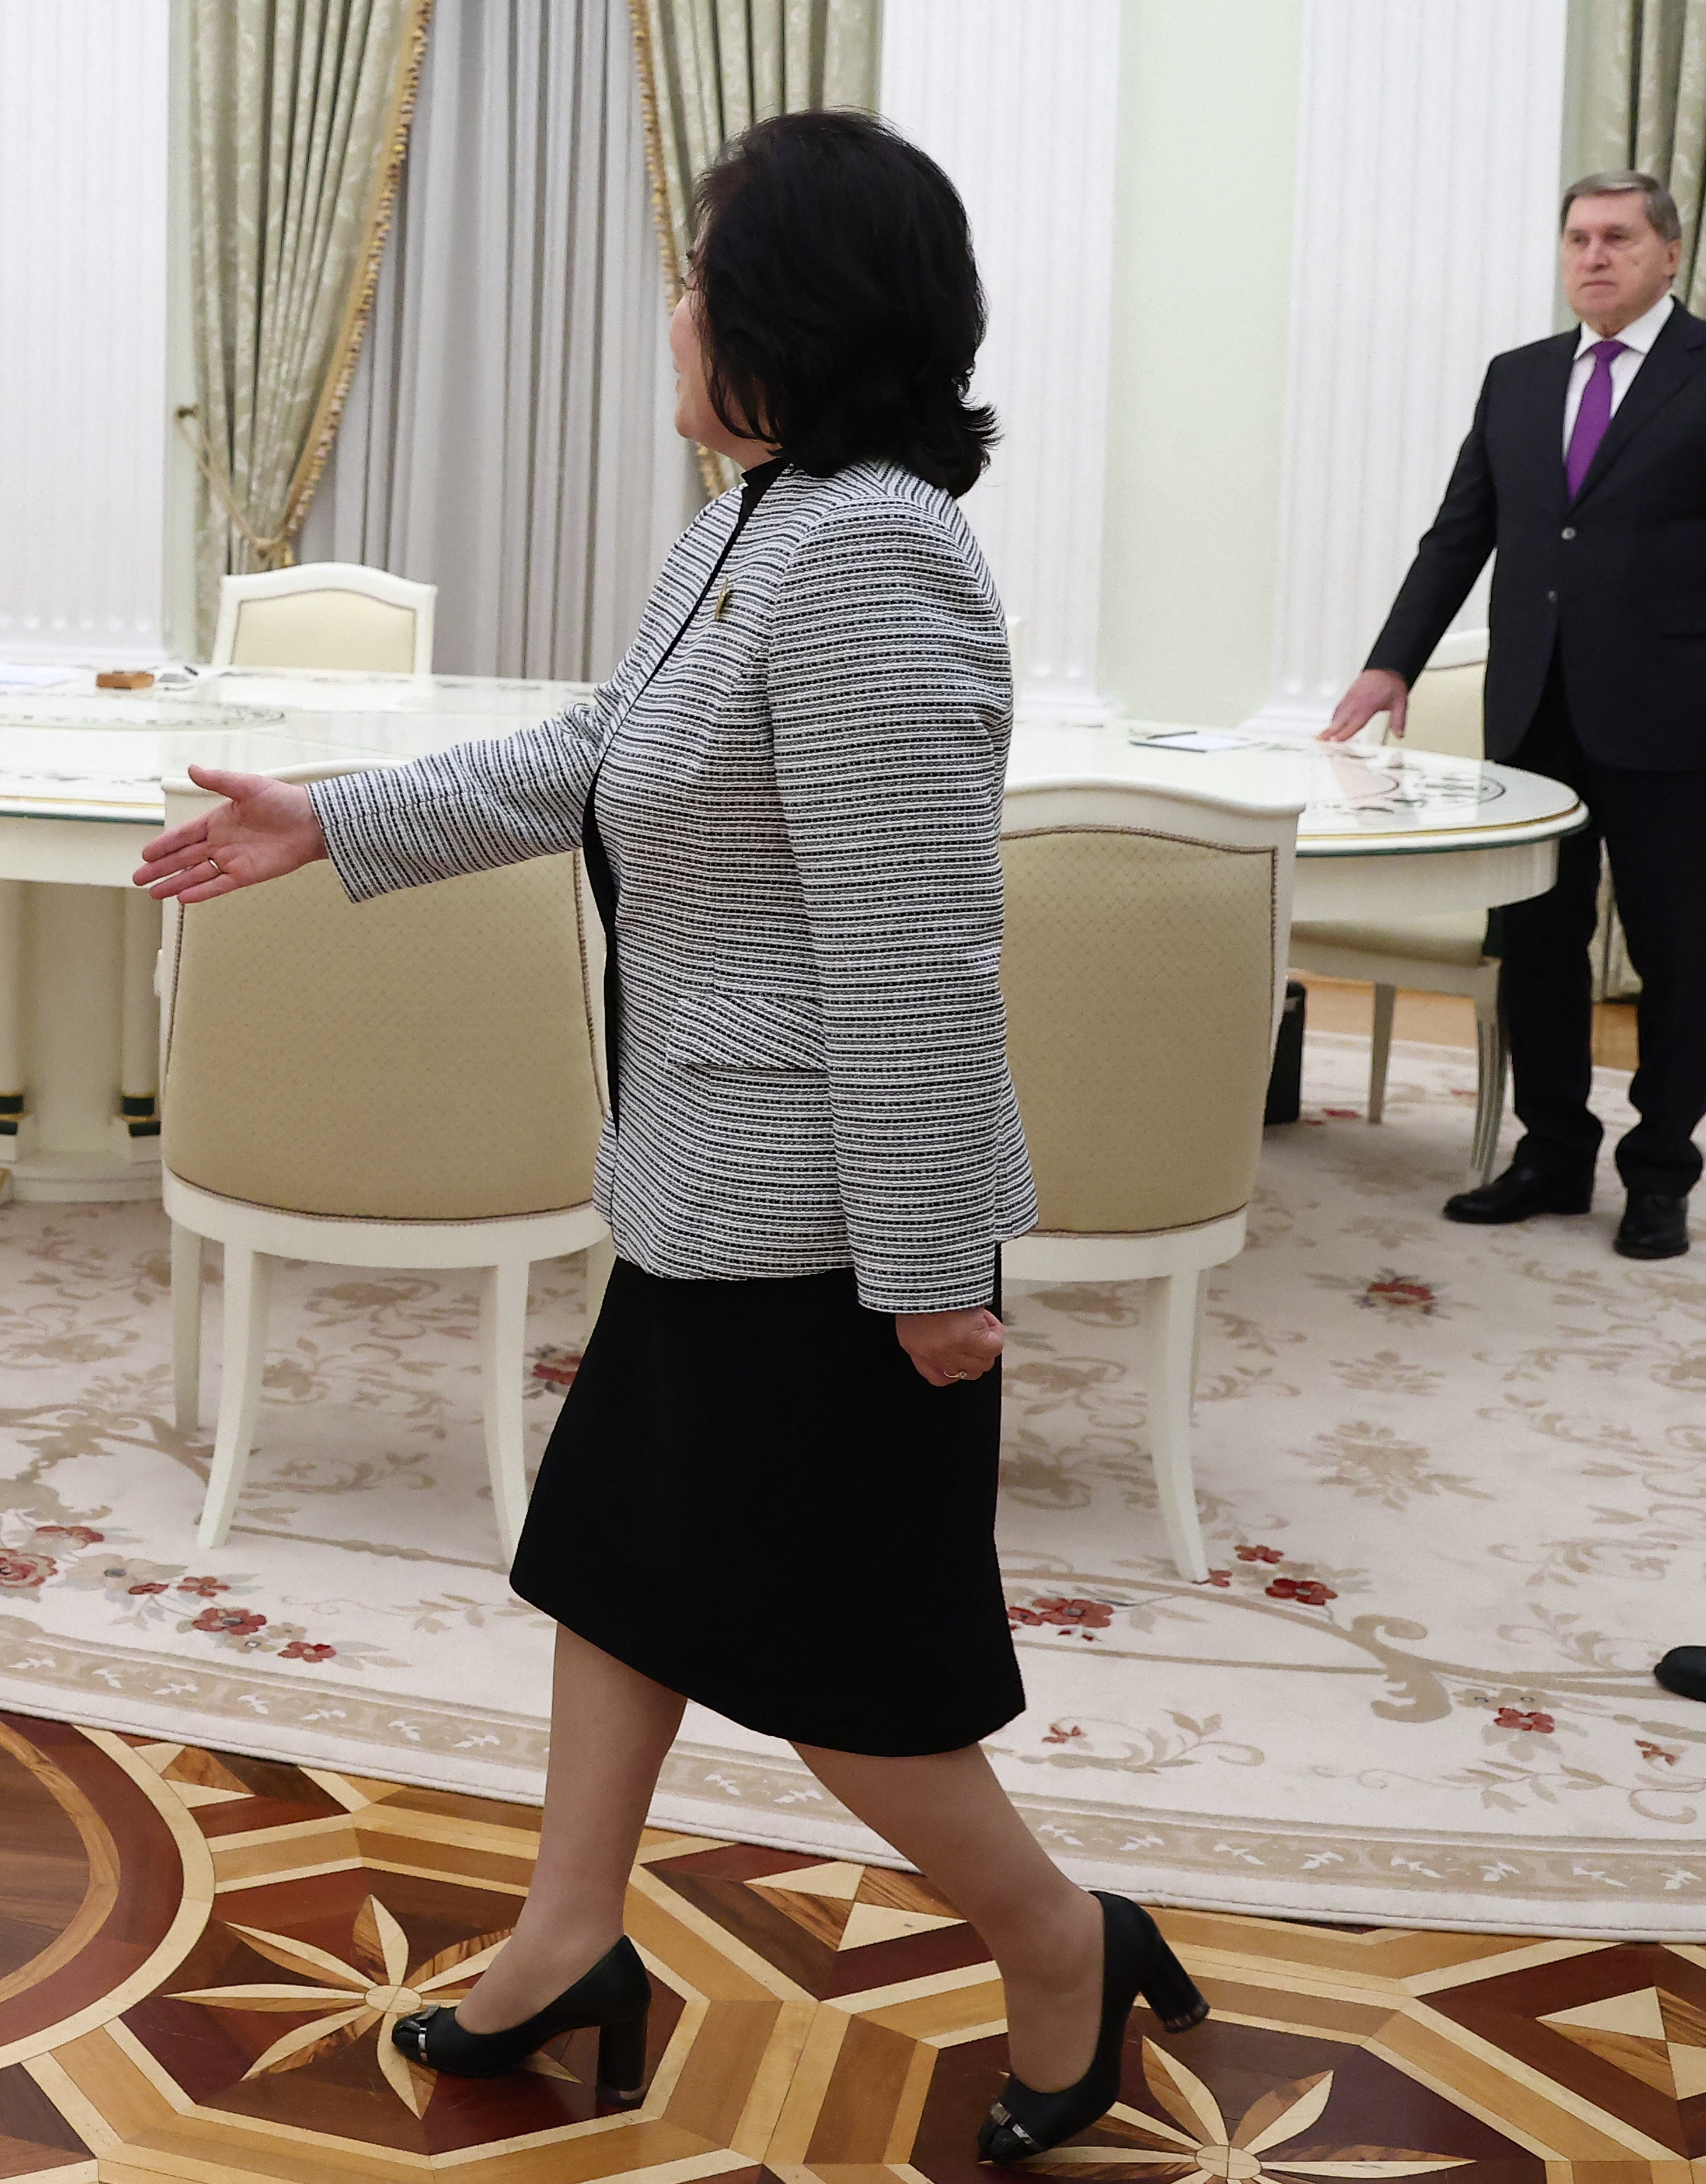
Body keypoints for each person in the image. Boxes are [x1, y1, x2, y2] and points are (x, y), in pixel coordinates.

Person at [135, 110, 1205, 2163]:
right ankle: (564, 1941)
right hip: (709, 1187)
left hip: (832, 1230)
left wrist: (928, 1280)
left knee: (845, 1676)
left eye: (708, 271)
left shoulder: (875, 549)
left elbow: (910, 957)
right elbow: (594, 752)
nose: (679, 305)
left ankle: (1063, 1941)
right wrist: (326, 818)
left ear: (800, 311)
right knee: (616, 1571)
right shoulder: (750, 518)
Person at [1322, 171, 1706, 1261]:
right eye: (1577, 238)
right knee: (1540, 948)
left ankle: (1661, 1171)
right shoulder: (1516, 379)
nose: (1594, 256)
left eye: (1618, 237)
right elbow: (1458, 535)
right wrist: (1390, 666)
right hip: (1533, 721)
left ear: (1671, 254)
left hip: (1677, 720)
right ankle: (1552, 1150)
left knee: (1673, 950)